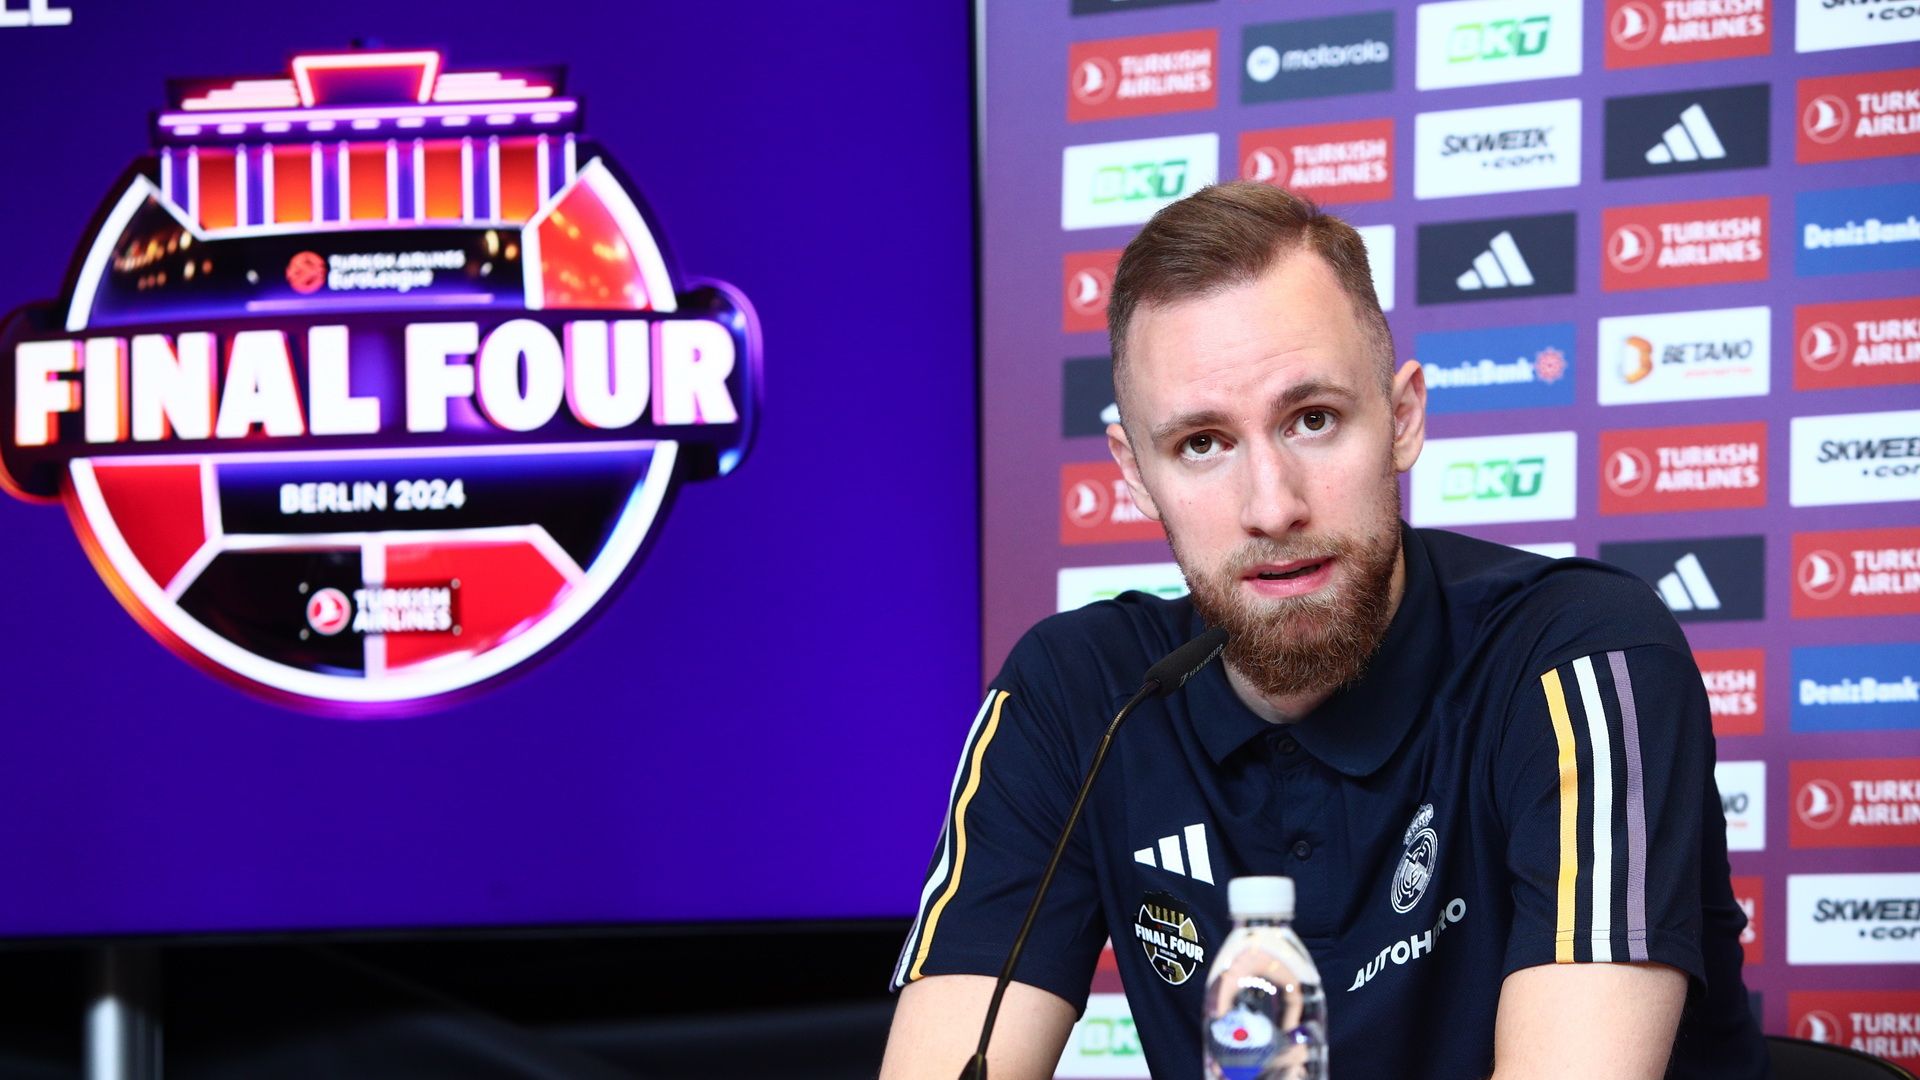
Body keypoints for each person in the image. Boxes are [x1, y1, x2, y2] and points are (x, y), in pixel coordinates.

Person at [879, 182, 1768, 1079]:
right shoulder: (1079, 696)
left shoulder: (1576, 652)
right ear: (1136, 473)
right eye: (1201, 443)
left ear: (1403, 419)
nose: (1272, 507)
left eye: (1313, 420)